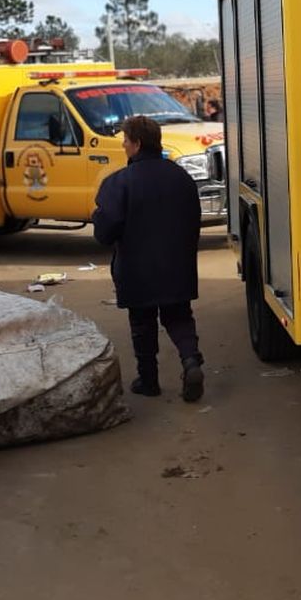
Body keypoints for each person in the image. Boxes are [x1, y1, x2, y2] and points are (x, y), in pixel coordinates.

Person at [92, 115, 204, 400]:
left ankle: (149, 381)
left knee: (142, 323)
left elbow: (105, 232)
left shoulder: (119, 183)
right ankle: (191, 361)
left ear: (137, 144)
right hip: (177, 265)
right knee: (179, 316)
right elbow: (194, 221)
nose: (124, 146)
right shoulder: (182, 177)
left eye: (125, 141)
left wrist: (98, 216)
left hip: (136, 269)